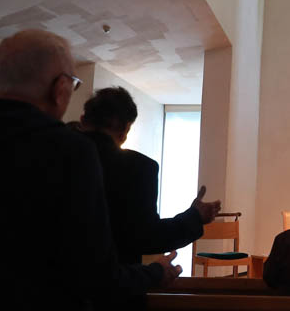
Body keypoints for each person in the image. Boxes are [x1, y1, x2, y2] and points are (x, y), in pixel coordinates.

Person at [0, 29, 178, 309]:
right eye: (74, 83)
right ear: (60, 88)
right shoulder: (69, 151)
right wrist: (156, 272)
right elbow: (95, 275)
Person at [77, 86, 222, 265]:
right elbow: (146, 236)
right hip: (110, 285)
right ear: (124, 132)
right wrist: (195, 217)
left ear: (83, 120)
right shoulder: (138, 167)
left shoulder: (51, 153)